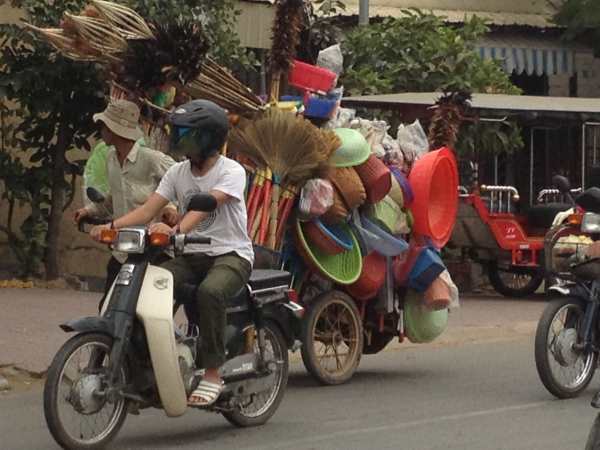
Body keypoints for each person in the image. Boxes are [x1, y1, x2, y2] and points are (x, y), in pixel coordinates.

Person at [90, 100, 253, 407]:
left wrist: (175, 231)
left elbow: (205, 207)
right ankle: (164, 353)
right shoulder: (178, 172)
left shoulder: (231, 171)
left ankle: (213, 373)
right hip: (190, 255)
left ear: (208, 138)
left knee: (210, 292)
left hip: (230, 254)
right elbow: (149, 208)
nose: (180, 140)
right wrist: (110, 226)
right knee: (147, 288)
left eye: (187, 134)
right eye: (178, 132)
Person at [75, 99, 178, 304]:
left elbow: (182, 183)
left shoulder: (152, 160)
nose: (101, 130)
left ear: (114, 130)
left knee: (145, 309)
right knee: (108, 306)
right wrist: (90, 211)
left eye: (104, 126)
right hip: (123, 249)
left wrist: (172, 210)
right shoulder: (112, 159)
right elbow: (113, 199)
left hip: (153, 249)